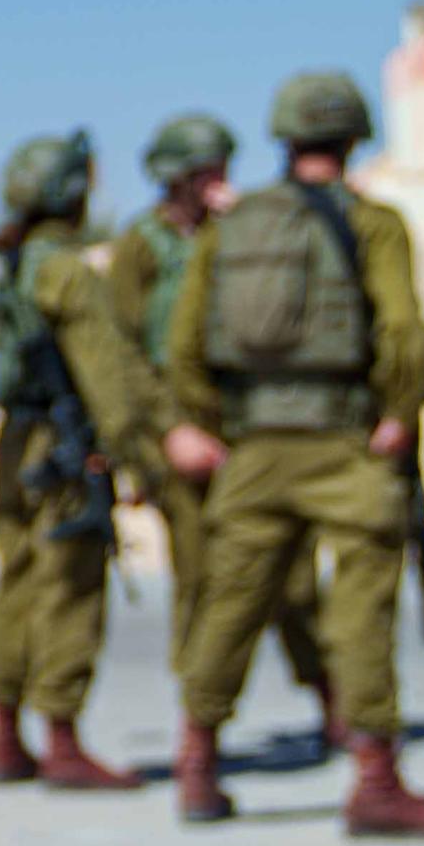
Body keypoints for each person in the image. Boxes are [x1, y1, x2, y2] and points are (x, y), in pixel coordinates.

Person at [159, 70, 424, 838]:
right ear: (354, 135)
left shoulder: (230, 227)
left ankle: (197, 762)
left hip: (254, 448)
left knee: (229, 604)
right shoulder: (374, 225)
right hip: (344, 443)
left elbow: (183, 342)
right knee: (361, 610)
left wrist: (205, 424)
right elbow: (402, 331)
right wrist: (399, 412)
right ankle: (375, 778)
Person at [105, 110, 331, 750]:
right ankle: (199, 730)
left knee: (293, 576)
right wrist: (168, 431)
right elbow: (122, 351)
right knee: (204, 580)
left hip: (252, 429)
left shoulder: (242, 232)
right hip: (178, 434)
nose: (216, 182)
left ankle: (333, 699)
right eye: (205, 173)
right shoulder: (141, 245)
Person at [0, 132, 166, 791]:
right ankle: (61, 740)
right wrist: (140, 462)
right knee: (71, 587)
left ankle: (5, 736)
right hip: (61, 449)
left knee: (18, 581)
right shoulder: (67, 271)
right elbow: (108, 379)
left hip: (11, 444)